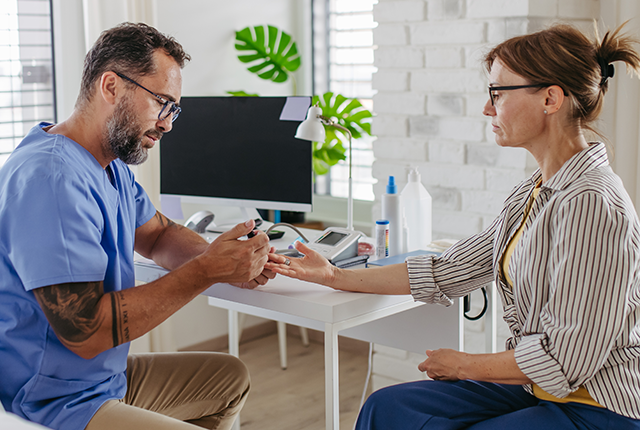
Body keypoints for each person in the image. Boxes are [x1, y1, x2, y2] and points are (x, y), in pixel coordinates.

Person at [267, 23, 640, 429]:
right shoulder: (533, 193)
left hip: (597, 404)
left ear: (550, 98)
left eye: (498, 93)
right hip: (540, 390)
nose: (486, 108)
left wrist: (465, 365)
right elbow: (446, 268)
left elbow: (568, 358)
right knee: (388, 408)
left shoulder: (593, 205)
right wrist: (334, 275)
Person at [0, 23, 275, 430]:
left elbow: (158, 234)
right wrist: (206, 270)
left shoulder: (107, 166)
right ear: (111, 86)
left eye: (174, 109)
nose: (168, 124)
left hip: (100, 383)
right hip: (53, 403)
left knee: (227, 378)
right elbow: (87, 331)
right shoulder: (52, 178)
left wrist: (225, 259)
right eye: (162, 102)